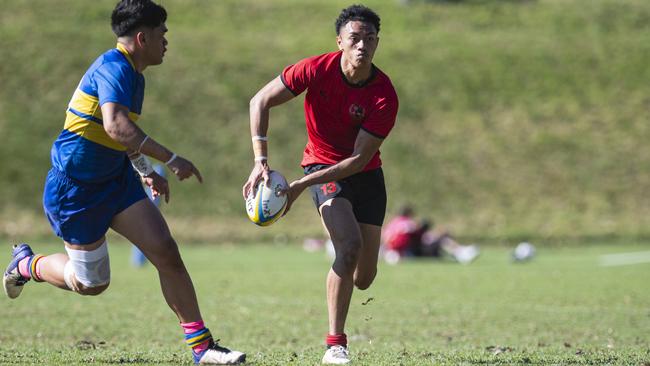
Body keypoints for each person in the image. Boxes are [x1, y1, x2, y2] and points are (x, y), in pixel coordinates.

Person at [2, 1, 244, 364]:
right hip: (75, 190)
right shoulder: (114, 67)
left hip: (115, 180)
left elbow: (118, 136)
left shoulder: (134, 74)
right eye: (163, 33)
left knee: (166, 252)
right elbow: (116, 125)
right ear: (142, 37)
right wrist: (171, 159)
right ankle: (27, 265)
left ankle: (203, 349)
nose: (167, 41)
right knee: (91, 285)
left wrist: (144, 169)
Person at [243, 5, 398, 364]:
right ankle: (335, 345)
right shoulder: (315, 69)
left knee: (364, 277)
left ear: (377, 43)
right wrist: (259, 161)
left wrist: (299, 186)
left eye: (370, 39)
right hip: (322, 167)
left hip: (365, 175)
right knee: (348, 246)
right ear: (340, 41)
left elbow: (359, 160)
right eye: (355, 38)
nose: (362, 46)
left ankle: (345, 292)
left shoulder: (383, 94)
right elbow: (260, 101)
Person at [382, 205, 480, 264]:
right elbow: (422, 234)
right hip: (408, 252)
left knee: (438, 242)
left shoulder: (392, 223)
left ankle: (460, 252)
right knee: (443, 238)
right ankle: (461, 253)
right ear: (408, 213)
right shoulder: (406, 223)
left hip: (393, 252)